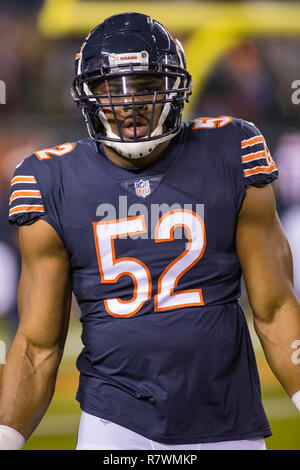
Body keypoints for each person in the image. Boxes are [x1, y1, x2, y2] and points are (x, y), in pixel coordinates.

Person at [0, 12, 299, 451]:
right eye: (111, 89)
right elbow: (37, 347)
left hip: (228, 419)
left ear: (174, 87)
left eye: (144, 86)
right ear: (88, 96)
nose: (129, 103)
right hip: (114, 422)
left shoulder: (229, 151)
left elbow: (274, 310)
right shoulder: (52, 179)